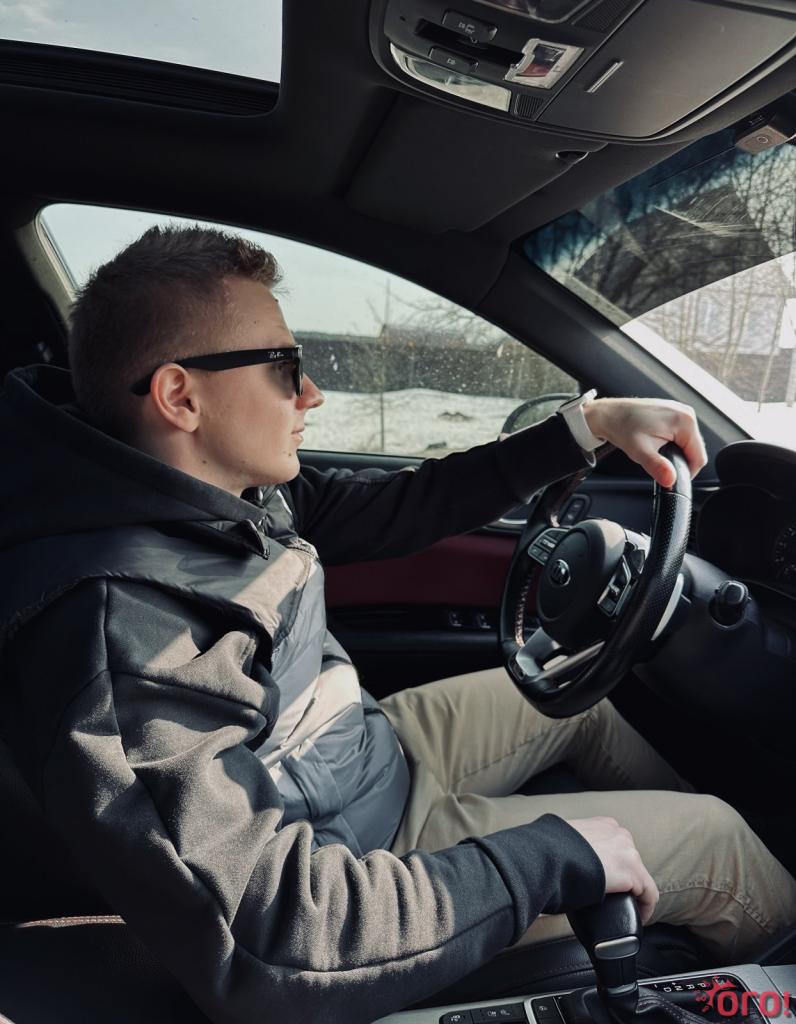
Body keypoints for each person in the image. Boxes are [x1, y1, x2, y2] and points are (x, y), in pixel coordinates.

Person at [0, 225, 794, 1024]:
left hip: (369, 754)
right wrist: (555, 859)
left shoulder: (217, 496)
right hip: (364, 852)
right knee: (716, 839)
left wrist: (585, 429)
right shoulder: (122, 637)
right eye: (284, 369)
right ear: (180, 396)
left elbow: (401, 507)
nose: (311, 394)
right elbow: (277, 934)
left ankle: (682, 922)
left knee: (585, 694)